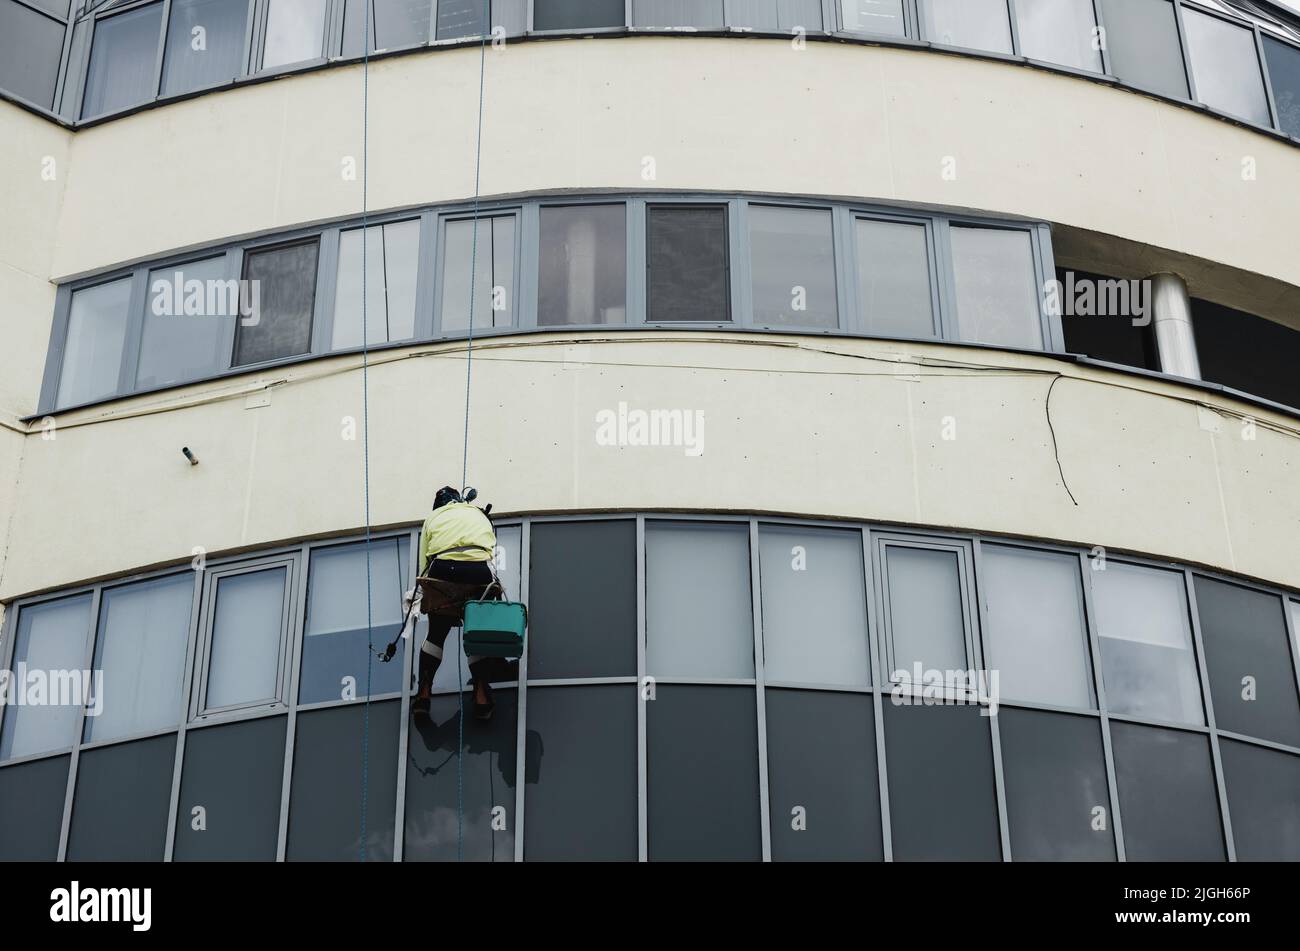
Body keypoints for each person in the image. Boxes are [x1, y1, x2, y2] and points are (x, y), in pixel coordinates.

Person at [412, 486, 501, 720]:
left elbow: (424, 560)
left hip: (443, 569)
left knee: (436, 632)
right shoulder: (480, 514)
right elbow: (489, 549)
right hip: (479, 572)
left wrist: (428, 592)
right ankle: (481, 694)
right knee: (477, 631)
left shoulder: (433, 517)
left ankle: (424, 692)